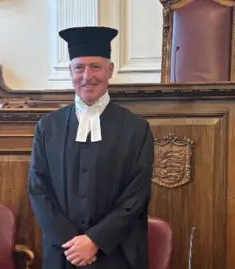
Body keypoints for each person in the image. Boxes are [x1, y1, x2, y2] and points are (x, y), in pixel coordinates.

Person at [27, 26, 155, 269]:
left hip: (116, 255)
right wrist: (73, 244)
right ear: (70, 71)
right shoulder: (47, 127)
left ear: (110, 71)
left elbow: (136, 196)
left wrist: (95, 240)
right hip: (64, 254)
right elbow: (38, 189)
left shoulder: (136, 129)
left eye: (95, 67)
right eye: (79, 67)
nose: (87, 76)